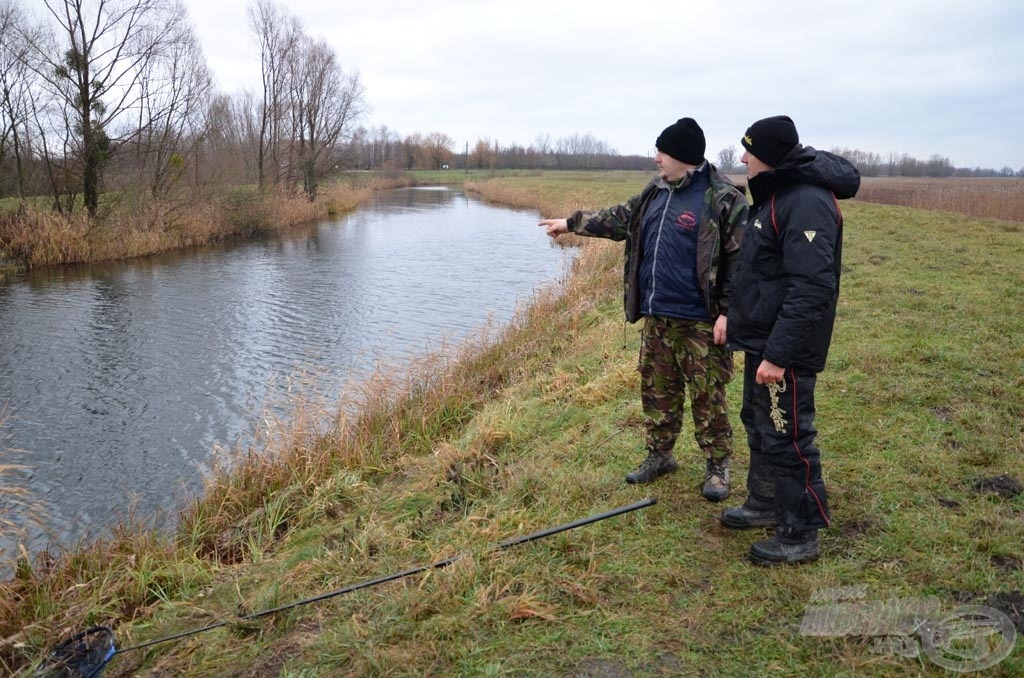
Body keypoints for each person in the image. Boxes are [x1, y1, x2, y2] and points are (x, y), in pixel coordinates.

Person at [538, 117, 748, 500]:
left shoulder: (724, 199)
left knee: (708, 396)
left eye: (661, 152)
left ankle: (717, 466)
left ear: (683, 157)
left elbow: (741, 263)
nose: (656, 160)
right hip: (657, 317)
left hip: (701, 322)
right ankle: (660, 455)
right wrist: (569, 224)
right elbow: (618, 218)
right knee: (657, 392)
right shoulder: (655, 192)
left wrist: (728, 312)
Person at [720, 115, 860, 565]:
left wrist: (779, 355)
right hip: (763, 339)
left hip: (786, 350)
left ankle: (800, 532)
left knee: (788, 435)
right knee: (758, 422)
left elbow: (812, 287)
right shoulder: (776, 194)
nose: (742, 158)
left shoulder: (805, 202)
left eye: (749, 151)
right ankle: (764, 503)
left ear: (771, 157)